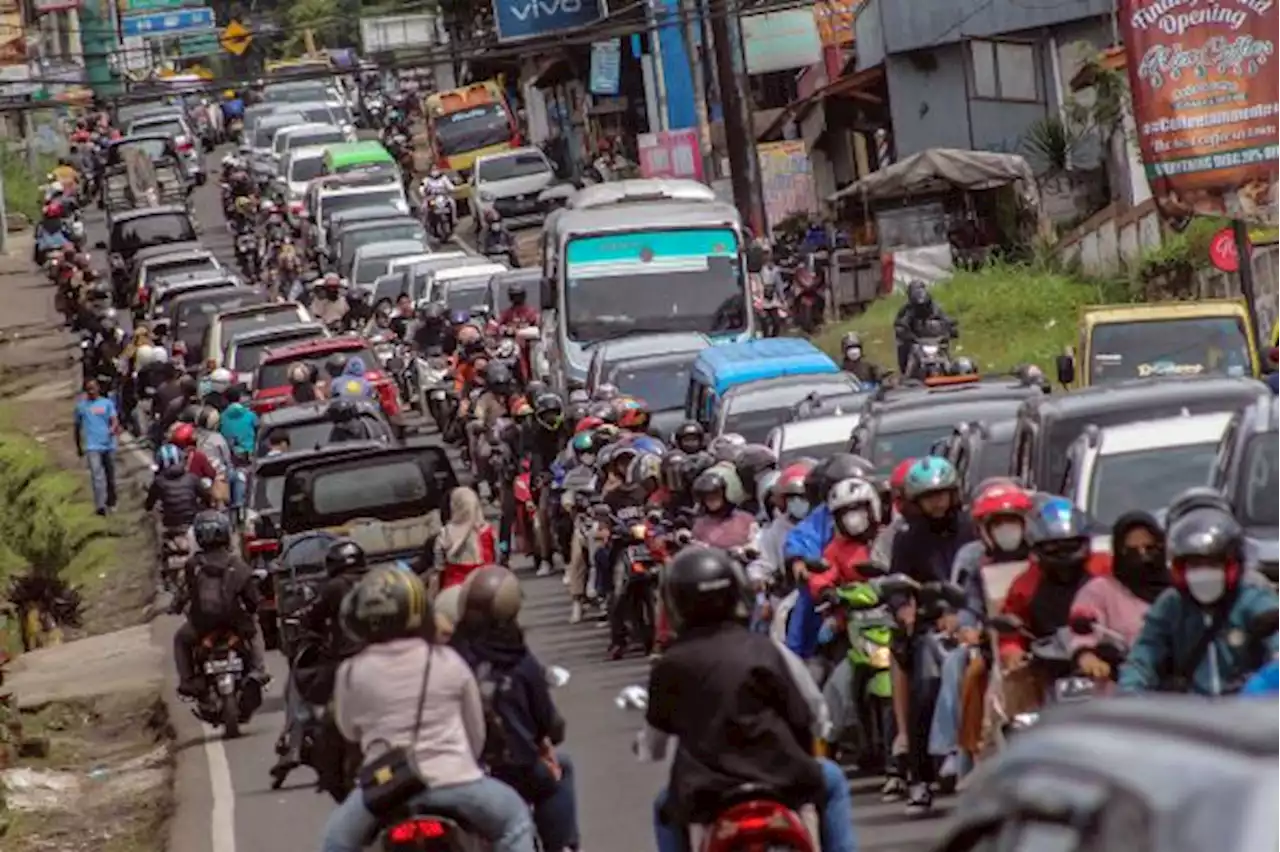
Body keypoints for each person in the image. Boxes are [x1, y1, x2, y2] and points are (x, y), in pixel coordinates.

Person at [639, 547, 857, 852]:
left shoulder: (669, 666)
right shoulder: (767, 650)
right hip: (784, 778)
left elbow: (654, 745)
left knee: (664, 807)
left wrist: (645, 746)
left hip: (706, 792)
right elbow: (813, 713)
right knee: (832, 780)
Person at [320, 568, 536, 852]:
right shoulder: (446, 661)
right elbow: (476, 735)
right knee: (514, 820)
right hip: (455, 782)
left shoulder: (350, 672)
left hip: (386, 791)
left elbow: (348, 728)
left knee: (334, 842)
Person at [450, 566, 581, 852]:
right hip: (515, 769)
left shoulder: (448, 657)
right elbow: (549, 724)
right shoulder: (520, 662)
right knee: (563, 768)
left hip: (453, 774)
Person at [1118, 501, 1280, 695]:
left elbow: (1276, 645)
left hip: (1247, 714)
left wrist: (1262, 686)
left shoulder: (1252, 598)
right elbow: (1143, 658)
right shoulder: (1171, 605)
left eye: (1212, 563)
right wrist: (1130, 697)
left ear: (1232, 564)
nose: (1203, 572)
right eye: (1194, 564)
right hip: (1191, 716)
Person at [171, 511, 267, 697]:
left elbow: (184, 594)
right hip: (235, 622)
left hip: (202, 625)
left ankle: (187, 680)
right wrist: (254, 609)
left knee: (180, 640)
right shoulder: (237, 563)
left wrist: (175, 607)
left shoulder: (193, 565)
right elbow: (252, 598)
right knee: (255, 630)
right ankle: (258, 671)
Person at [890, 456, 975, 585]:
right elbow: (898, 585)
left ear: (952, 494)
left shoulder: (973, 527)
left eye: (940, 495)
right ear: (917, 502)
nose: (935, 502)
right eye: (928, 497)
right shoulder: (908, 539)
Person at [431, 487, 497, 592]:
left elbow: (439, 567)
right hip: (486, 586)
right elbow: (498, 554)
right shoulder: (488, 531)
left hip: (454, 589)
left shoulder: (445, 533)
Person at [74, 378, 119, 515]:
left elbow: (114, 420)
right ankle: (100, 505)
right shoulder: (81, 407)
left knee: (110, 475)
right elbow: (76, 427)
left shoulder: (107, 403)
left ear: (98, 388)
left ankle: (111, 501)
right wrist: (78, 446)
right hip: (92, 446)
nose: (91, 391)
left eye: (93, 388)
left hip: (108, 445)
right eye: (89, 389)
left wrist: (112, 429)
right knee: (96, 476)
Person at [892, 280, 956, 374]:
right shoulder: (907, 310)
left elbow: (945, 319)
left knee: (945, 350)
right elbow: (900, 324)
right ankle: (906, 372)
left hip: (933, 341)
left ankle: (948, 367)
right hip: (916, 341)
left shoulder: (936, 308)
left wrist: (951, 329)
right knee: (903, 346)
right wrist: (905, 334)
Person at [145, 443, 206, 533]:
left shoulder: (159, 481)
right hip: (192, 521)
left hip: (171, 525)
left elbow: (149, 504)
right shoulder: (192, 478)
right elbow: (206, 496)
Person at [219, 387, 258, 458]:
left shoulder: (221, 418)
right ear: (239, 398)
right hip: (251, 453)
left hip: (232, 455)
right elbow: (258, 432)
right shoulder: (251, 415)